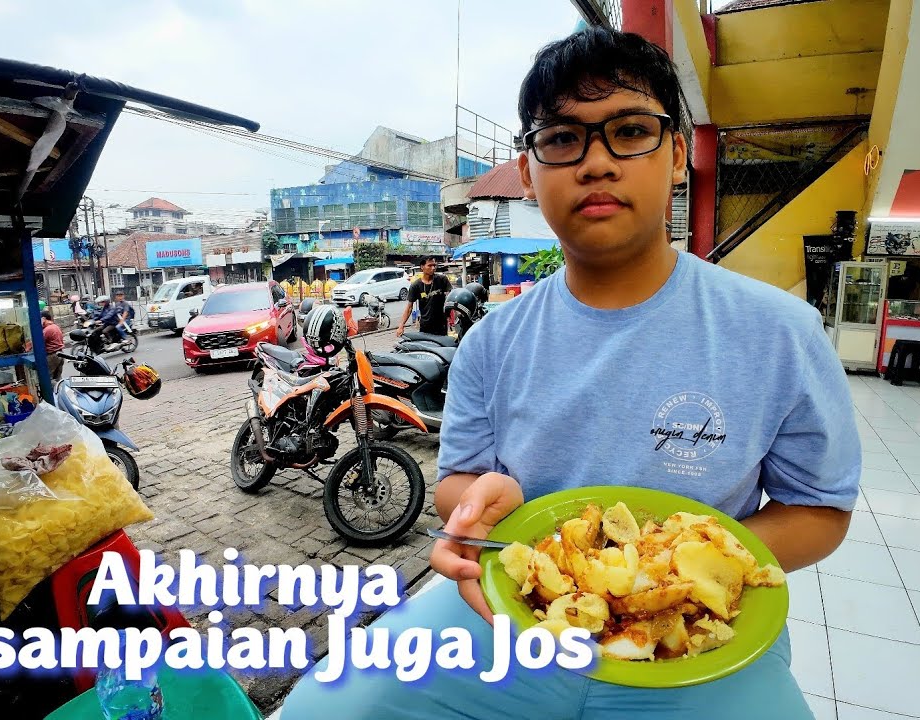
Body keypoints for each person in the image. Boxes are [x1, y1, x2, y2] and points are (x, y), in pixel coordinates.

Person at [281, 27, 860, 720]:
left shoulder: (778, 332)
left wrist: (673, 574)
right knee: (329, 707)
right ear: (528, 172)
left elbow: (820, 510)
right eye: (562, 139)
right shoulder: (493, 340)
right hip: (514, 618)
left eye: (629, 131)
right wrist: (482, 500)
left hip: (696, 645)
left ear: (677, 155)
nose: (596, 163)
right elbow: (460, 482)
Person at [395, 255, 453, 336]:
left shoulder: (442, 280)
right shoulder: (416, 285)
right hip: (425, 324)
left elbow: (451, 298)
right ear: (422, 267)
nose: (433, 268)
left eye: (434, 265)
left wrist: (453, 317)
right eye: (429, 265)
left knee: (440, 347)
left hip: (441, 324)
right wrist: (401, 326)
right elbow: (409, 307)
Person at [40, 309, 64, 387]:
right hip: (60, 354)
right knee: (58, 378)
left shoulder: (47, 330)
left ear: (43, 319)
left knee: (47, 379)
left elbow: (39, 342)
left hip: (52, 356)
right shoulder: (55, 327)